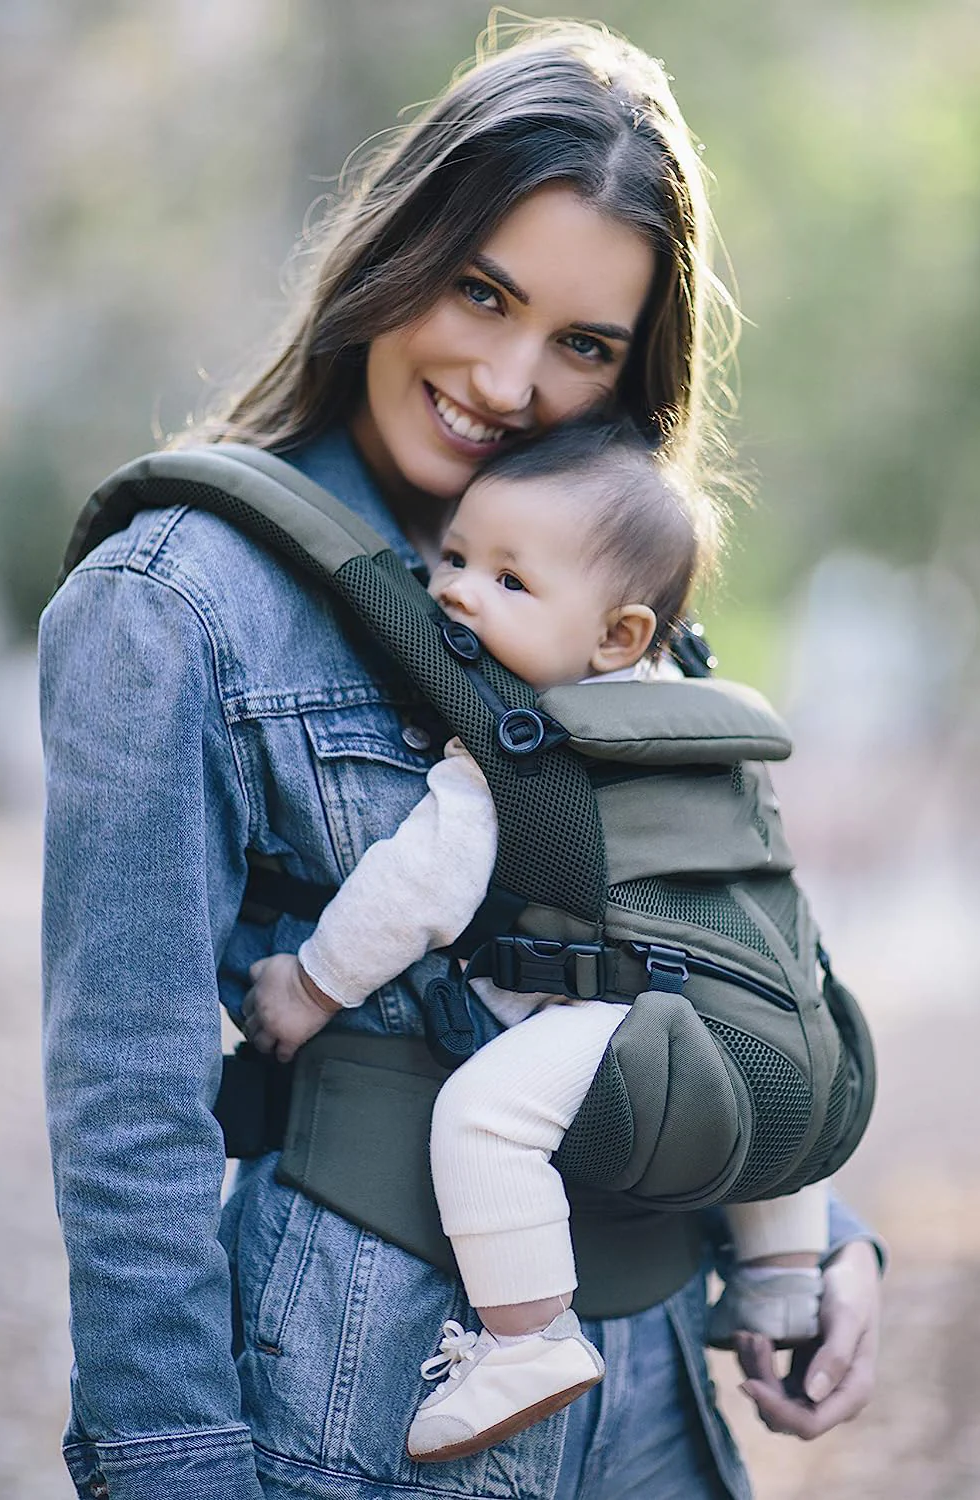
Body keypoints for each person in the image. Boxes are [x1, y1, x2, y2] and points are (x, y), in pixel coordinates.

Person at [40, 20, 882, 1500]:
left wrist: (826, 1240)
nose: (505, 380)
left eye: (582, 344)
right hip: (367, 1386)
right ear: (395, 252)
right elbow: (129, 1101)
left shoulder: (607, 605)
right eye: (480, 290)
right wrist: (171, 1464)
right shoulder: (175, 603)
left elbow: (691, 954)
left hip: (656, 1399)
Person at [242, 420, 831, 1464]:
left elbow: (412, 888)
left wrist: (311, 989)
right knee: (758, 1066)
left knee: (483, 1118)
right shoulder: (700, 726)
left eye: (510, 582)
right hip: (749, 1019)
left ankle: (525, 1337)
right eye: (455, 559)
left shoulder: (515, 749)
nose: (458, 595)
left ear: (616, 636)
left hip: (619, 1024)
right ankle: (783, 1278)